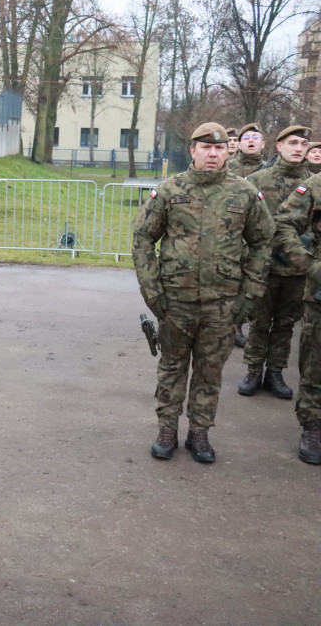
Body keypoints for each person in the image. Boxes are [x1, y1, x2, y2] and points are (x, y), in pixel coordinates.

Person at [132, 122, 274, 464]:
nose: (213, 153)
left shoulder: (244, 192)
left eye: (220, 148)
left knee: (210, 372)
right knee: (172, 367)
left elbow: (262, 242)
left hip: (223, 303)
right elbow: (142, 239)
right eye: (206, 148)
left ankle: (200, 432)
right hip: (175, 302)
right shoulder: (169, 190)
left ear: (229, 151)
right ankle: (167, 429)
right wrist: (152, 292)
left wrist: (249, 295)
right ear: (193, 151)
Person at [238, 125, 311, 401]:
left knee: (285, 324)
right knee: (259, 321)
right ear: (279, 147)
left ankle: (275, 373)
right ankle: (253, 370)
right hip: (263, 267)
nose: (298, 148)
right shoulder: (257, 180)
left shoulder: (312, 184)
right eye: (292, 142)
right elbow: (244, 224)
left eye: (303, 144)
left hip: (297, 268)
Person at [272, 130, 321, 464]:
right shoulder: (315, 186)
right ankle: (313, 426)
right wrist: (309, 265)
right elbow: (282, 225)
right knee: (316, 363)